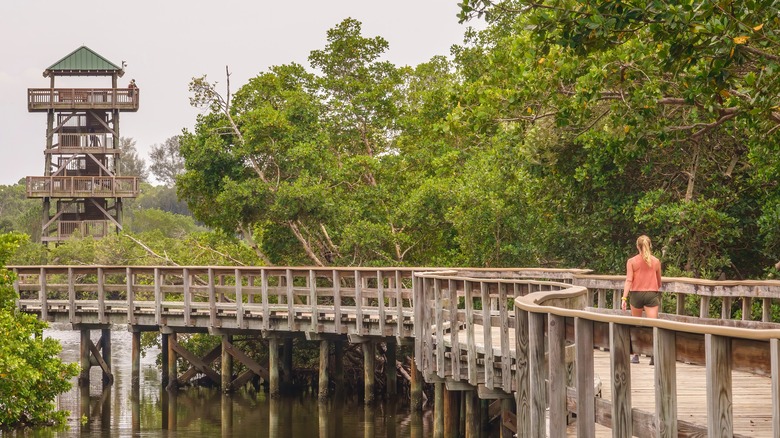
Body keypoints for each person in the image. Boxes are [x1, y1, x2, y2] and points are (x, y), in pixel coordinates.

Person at [621, 235, 662, 364]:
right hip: (651, 294)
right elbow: (659, 282)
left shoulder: (631, 261)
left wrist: (624, 298)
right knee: (653, 325)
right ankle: (653, 355)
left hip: (636, 294)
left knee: (636, 324)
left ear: (637, 246)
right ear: (649, 245)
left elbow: (629, 280)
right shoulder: (656, 261)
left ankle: (636, 355)